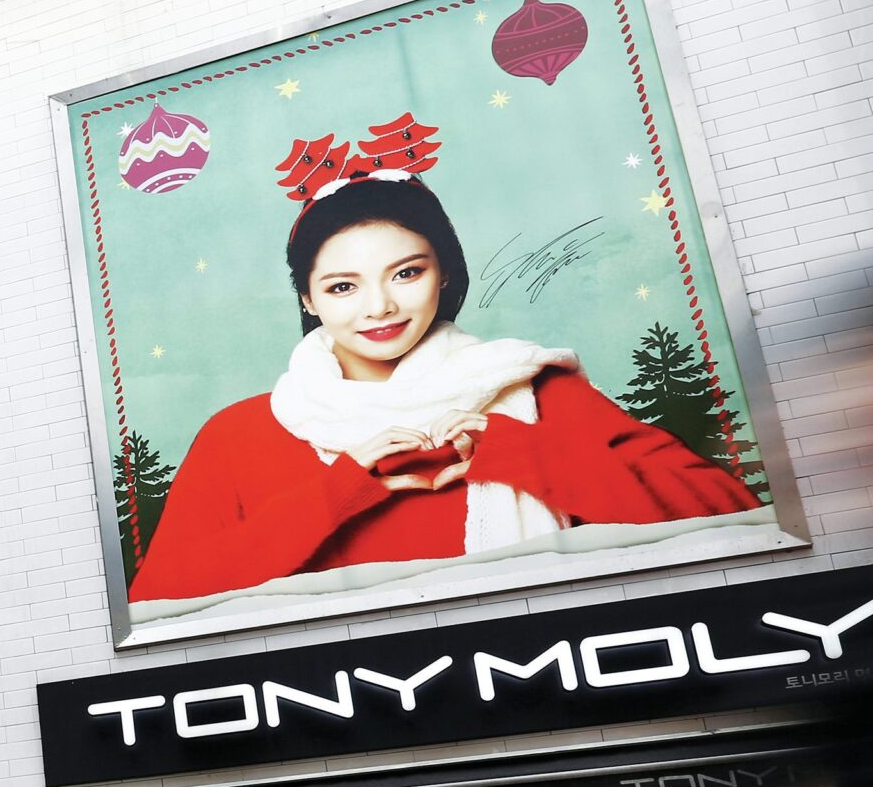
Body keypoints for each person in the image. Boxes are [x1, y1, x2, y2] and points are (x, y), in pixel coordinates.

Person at [128, 124, 760, 608]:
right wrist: (338, 492)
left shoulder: (533, 392)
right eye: (343, 286)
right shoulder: (241, 436)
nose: (379, 306)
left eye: (406, 273)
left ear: (445, 273)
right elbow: (159, 604)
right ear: (307, 298)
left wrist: (522, 453)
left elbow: (730, 518)